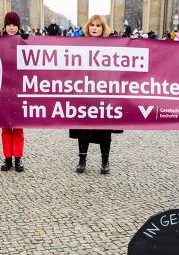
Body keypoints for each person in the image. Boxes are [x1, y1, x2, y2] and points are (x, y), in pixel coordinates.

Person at [70, 15, 121, 174]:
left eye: (98, 25)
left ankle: (105, 161)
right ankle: (82, 160)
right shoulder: (79, 44)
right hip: (84, 91)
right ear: (87, 27)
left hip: (104, 93)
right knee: (83, 129)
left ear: (103, 28)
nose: (94, 28)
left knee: (104, 130)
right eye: (92, 25)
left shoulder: (112, 45)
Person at [0, 11, 26, 172]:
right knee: (4, 128)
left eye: (14, 25)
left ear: (18, 27)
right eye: (8, 24)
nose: (11, 27)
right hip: (2, 90)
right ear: (4, 26)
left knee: (18, 127)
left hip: (18, 91)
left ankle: (18, 158)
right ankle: (7, 158)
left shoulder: (24, 43)